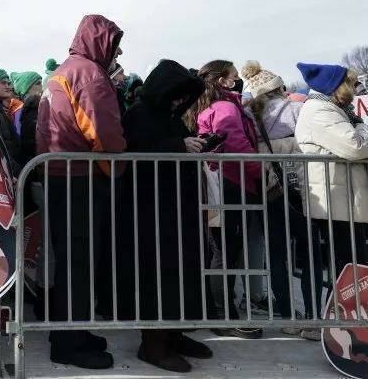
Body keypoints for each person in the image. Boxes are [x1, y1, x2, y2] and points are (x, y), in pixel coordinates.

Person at [36, 14, 126, 369]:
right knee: (79, 262)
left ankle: (71, 330)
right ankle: (68, 343)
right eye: (115, 43)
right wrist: (118, 161)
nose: (117, 50)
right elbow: (104, 132)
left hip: (59, 174)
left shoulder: (64, 70)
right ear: (102, 41)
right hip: (82, 177)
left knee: (71, 261)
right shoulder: (89, 74)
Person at [122, 60, 212, 373]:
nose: (179, 101)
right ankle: (154, 343)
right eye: (176, 94)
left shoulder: (168, 115)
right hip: (152, 209)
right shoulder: (139, 113)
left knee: (181, 269)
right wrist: (177, 145)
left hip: (176, 206)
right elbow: (134, 151)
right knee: (158, 272)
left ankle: (174, 333)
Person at [242, 61, 323, 339]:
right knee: (310, 252)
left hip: (270, 188)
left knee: (277, 253)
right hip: (304, 188)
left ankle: (288, 316)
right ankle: (313, 317)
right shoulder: (298, 109)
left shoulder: (249, 116)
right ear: (279, 88)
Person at [186, 60, 263, 339]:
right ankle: (223, 313)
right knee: (225, 250)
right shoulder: (225, 107)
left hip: (218, 182)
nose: (237, 80)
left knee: (219, 248)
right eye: (233, 76)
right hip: (231, 182)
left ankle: (220, 309)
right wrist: (259, 169)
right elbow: (236, 145)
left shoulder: (206, 105)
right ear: (221, 80)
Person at [295, 63, 368, 274]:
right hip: (336, 200)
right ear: (338, 86)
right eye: (351, 83)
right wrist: (362, 126)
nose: (355, 88)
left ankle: (347, 307)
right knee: (348, 269)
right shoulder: (321, 110)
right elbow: (356, 147)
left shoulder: (329, 108)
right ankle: (343, 308)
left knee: (350, 269)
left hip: (342, 198)